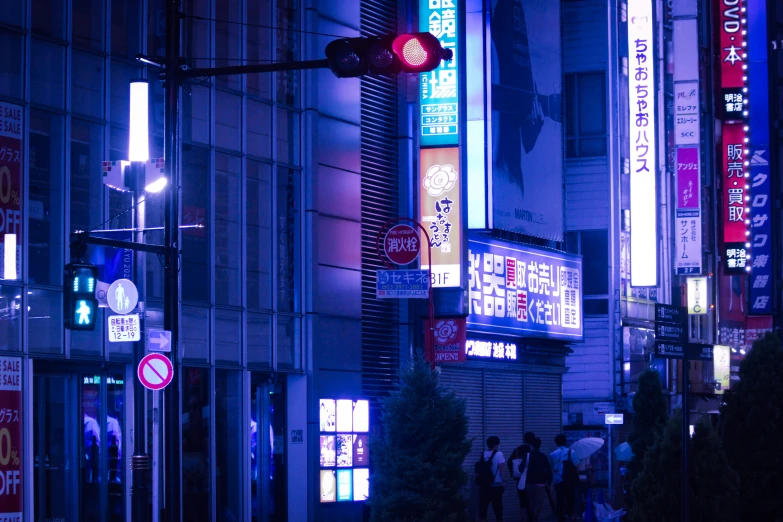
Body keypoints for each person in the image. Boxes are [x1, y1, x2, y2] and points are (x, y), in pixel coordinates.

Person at [550, 434, 580, 521]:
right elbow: (577, 466)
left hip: (558, 480)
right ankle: (569, 515)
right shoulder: (572, 452)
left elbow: (552, 467)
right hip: (569, 480)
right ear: (565, 442)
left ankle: (560, 516)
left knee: (559, 498)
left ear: (556, 443)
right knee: (570, 497)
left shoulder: (552, 454)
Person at [524, 437, 553, 522]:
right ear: (540, 445)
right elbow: (548, 470)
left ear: (531, 446)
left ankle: (532, 519)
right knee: (538, 503)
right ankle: (535, 518)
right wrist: (548, 482)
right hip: (540, 483)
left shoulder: (527, 455)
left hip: (529, 482)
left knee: (530, 503)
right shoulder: (543, 456)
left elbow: (521, 468)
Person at [508, 431, 536, 516]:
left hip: (520, 479)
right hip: (532, 479)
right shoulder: (534, 450)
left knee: (522, 500)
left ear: (524, 439)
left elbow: (509, 462)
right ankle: (532, 518)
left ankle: (523, 518)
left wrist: (513, 473)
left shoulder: (517, 449)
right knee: (532, 500)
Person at [479, 436, 506, 522]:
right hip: (496, 485)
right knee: (498, 509)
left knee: (483, 508)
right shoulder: (499, 454)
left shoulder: (483, 454)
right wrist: (504, 481)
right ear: (495, 444)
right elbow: (501, 469)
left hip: (484, 486)